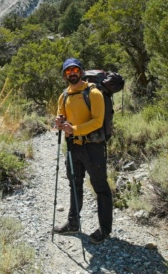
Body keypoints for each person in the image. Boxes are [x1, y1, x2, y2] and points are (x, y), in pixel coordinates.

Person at [53, 57, 113, 244]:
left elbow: (97, 121)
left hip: (93, 146)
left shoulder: (93, 93)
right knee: (75, 184)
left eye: (74, 70)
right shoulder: (63, 96)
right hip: (73, 146)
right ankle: (73, 223)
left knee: (101, 187)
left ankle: (104, 229)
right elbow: (61, 116)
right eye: (68, 71)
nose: (71, 74)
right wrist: (58, 122)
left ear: (81, 71)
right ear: (64, 75)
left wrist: (75, 129)